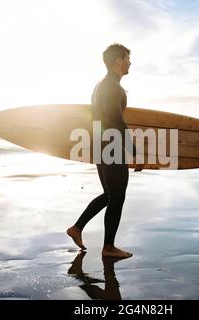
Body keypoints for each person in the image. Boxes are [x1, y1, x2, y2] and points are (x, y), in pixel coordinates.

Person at [67, 43, 143, 259]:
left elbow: (100, 120)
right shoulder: (112, 88)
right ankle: (108, 247)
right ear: (118, 61)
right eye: (127, 58)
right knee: (117, 197)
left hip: (103, 144)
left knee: (111, 195)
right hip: (112, 146)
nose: (130, 63)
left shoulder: (103, 85)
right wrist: (133, 152)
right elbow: (116, 121)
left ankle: (77, 228)